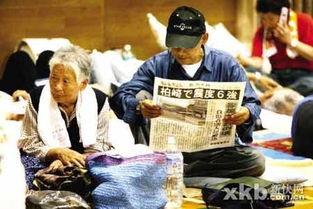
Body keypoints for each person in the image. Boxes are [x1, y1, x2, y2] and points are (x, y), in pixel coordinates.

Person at [109, 6, 265, 178]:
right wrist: (139, 107)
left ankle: (177, 172)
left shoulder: (226, 64)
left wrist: (245, 113)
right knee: (140, 96)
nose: (180, 52)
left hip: (214, 151)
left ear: (204, 38)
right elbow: (120, 95)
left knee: (256, 162)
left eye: (187, 46)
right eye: (175, 46)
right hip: (168, 149)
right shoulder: (157, 64)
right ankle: (165, 167)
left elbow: (253, 103)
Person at [19, 45, 111, 171]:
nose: (57, 86)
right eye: (54, 78)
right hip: (45, 160)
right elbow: (29, 142)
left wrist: (72, 161)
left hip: (85, 161)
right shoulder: (37, 97)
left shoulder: (99, 100)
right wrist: (56, 153)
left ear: (82, 84)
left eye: (65, 81)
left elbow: (100, 145)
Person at [238, 0, 313, 96]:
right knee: (248, 73)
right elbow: (257, 61)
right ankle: (283, 93)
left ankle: (278, 93)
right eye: (263, 19)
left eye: (270, 19)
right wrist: (245, 61)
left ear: (284, 15)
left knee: (309, 83)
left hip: (304, 75)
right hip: (276, 77)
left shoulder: (304, 21)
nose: (266, 23)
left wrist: (292, 42)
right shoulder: (262, 31)